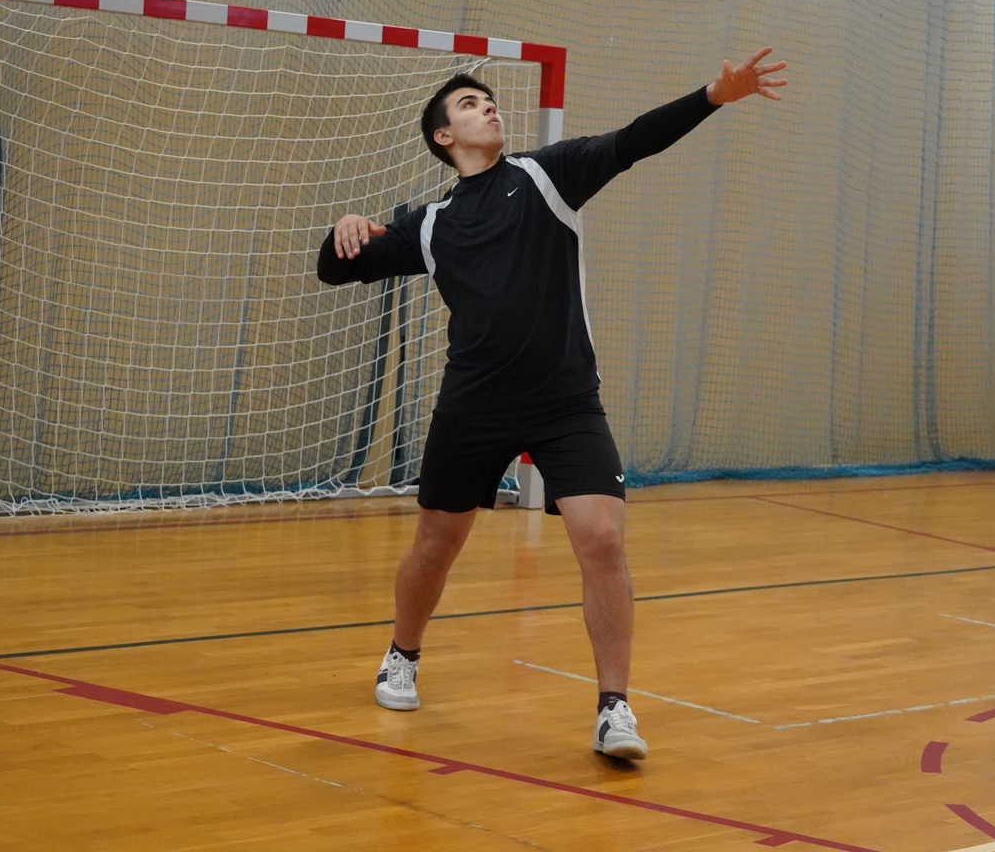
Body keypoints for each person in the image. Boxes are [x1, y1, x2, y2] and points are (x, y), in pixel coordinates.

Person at [317, 47, 789, 759]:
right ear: (443, 136)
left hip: (565, 402)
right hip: (473, 407)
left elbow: (634, 140)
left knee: (603, 539)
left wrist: (711, 96)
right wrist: (346, 227)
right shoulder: (431, 224)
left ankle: (614, 708)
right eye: (470, 104)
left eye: (489, 100)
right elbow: (334, 269)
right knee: (435, 547)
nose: (488, 108)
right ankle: (402, 654)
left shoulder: (548, 175)